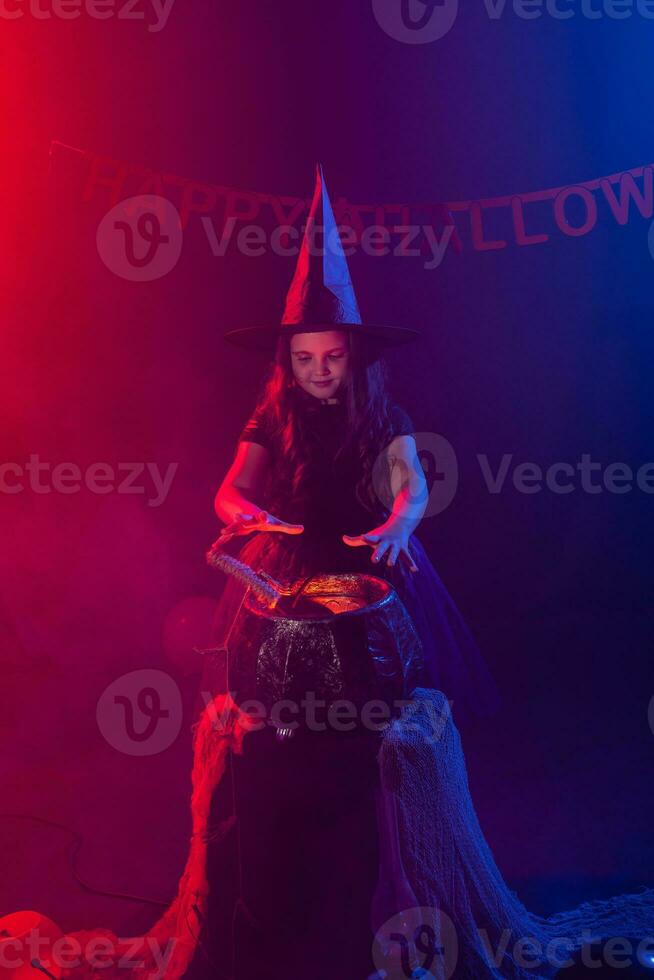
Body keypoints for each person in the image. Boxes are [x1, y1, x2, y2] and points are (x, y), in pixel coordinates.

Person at [192, 166, 501, 980]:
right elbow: (231, 488)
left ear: (352, 356)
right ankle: (283, 878)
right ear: (287, 361)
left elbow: (413, 483)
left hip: (367, 566)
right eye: (305, 358)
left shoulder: (384, 415)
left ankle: (385, 880)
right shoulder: (270, 414)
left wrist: (401, 521)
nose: (320, 370)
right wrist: (241, 515)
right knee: (278, 718)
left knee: (371, 721)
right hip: (287, 564)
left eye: (332, 357)